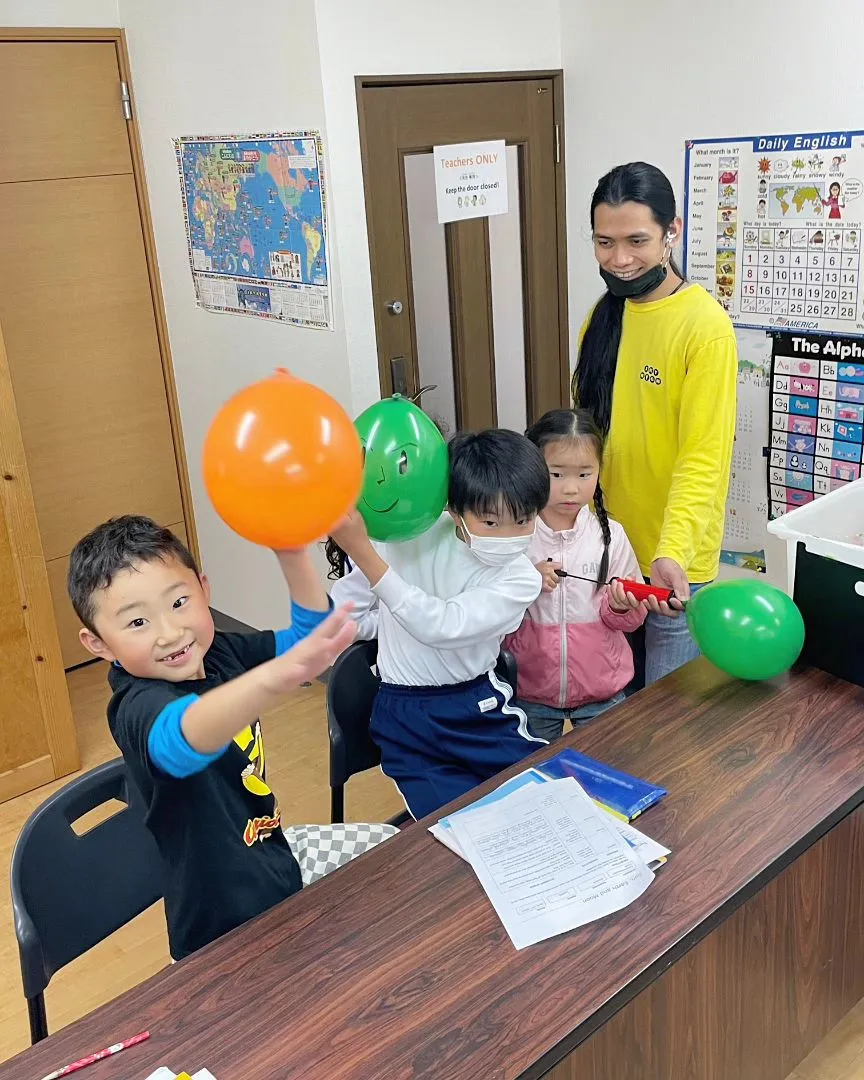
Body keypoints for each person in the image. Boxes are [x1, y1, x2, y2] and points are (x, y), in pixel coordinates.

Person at [67, 515, 396, 961]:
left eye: (180, 602)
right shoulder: (136, 703)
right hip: (220, 931)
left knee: (393, 853)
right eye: (137, 622)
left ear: (204, 589)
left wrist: (291, 551)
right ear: (98, 644)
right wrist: (273, 679)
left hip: (275, 863)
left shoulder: (218, 651)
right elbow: (180, 742)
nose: (171, 632)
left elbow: (311, 637)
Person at [328, 429, 550, 819]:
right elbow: (347, 613)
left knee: (541, 801)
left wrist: (362, 552)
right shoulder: (409, 535)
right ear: (453, 509)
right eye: (491, 523)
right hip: (407, 718)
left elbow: (443, 626)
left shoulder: (521, 577)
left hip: (479, 705)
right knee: (454, 830)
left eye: (523, 519)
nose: (510, 536)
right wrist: (387, 623)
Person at [573, 161, 737, 686]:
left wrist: (670, 551)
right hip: (607, 552)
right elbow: (583, 443)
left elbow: (704, 459)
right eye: (604, 242)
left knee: (664, 723)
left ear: (672, 232)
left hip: (672, 565)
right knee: (610, 708)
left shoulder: (704, 327)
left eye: (636, 240)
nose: (619, 260)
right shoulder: (602, 317)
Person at [504, 409, 649, 742]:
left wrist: (622, 607)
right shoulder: (514, 536)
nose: (571, 489)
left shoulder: (609, 535)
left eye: (585, 474)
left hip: (602, 691)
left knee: (607, 768)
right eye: (556, 474)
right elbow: (494, 612)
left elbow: (631, 619)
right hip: (530, 691)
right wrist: (528, 582)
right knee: (534, 778)